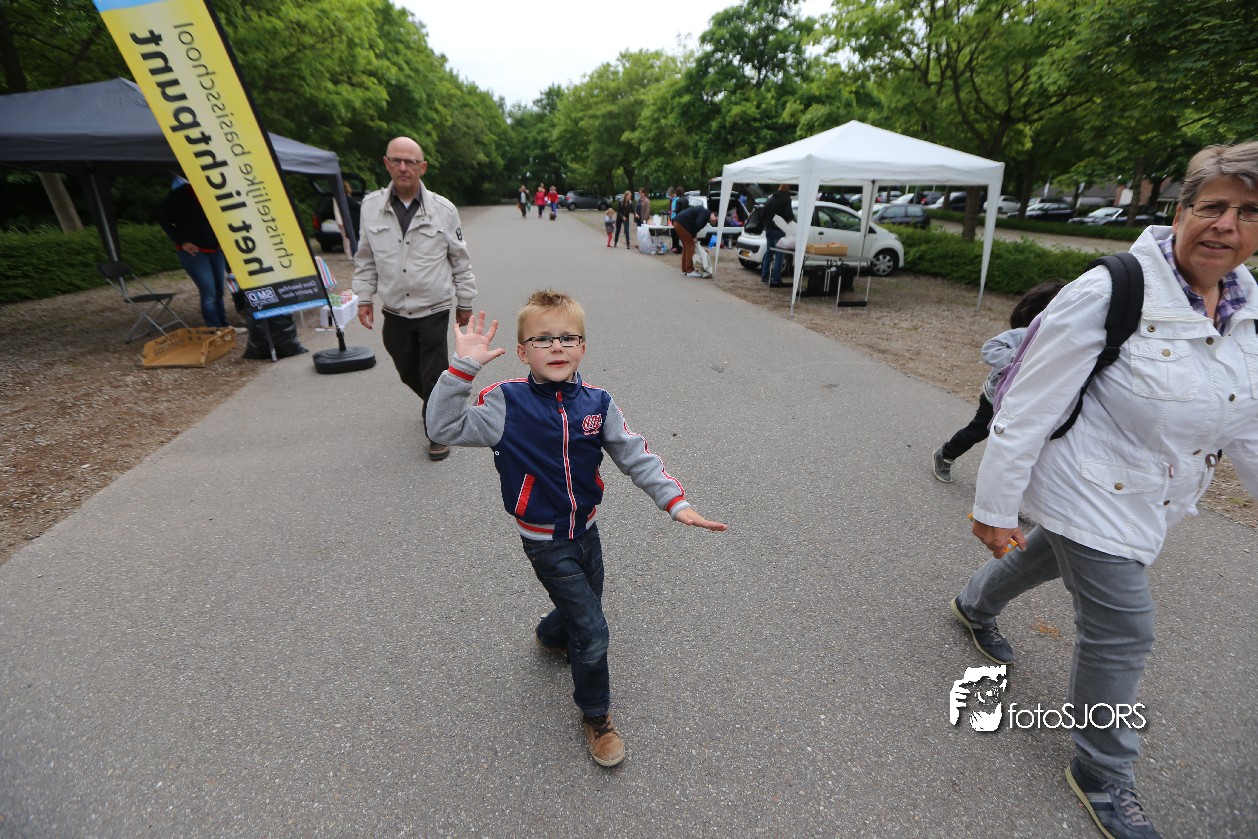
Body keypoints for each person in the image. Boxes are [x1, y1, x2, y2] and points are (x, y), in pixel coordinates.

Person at [952, 142, 1258, 839]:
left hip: (1149, 492)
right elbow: (1027, 404)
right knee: (1123, 629)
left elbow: (1246, 421)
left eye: (1248, 212)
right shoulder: (1111, 289)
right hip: (1086, 482)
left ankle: (972, 604)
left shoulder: (1246, 306)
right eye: (1213, 206)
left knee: (1046, 552)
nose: (1227, 225)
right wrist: (993, 506)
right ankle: (1101, 771)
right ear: (1180, 212)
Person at [425, 290, 727, 767]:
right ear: (522, 352)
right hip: (544, 541)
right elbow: (442, 428)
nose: (556, 347)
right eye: (542, 339)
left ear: (583, 347)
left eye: (568, 338)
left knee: (583, 608)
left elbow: (635, 455)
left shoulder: (598, 404)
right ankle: (596, 714)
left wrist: (675, 502)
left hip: (587, 530)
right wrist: (461, 370)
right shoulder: (505, 403)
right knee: (593, 629)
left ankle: (551, 635)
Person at [352, 136, 477, 462]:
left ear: (422, 167)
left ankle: (437, 431)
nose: (403, 167)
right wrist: (364, 298)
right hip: (394, 308)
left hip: (434, 307)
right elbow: (365, 257)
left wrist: (464, 301)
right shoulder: (370, 207)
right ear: (387, 164)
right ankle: (442, 404)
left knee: (433, 373)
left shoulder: (443, 210)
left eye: (410, 162)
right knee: (408, 370)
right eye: (397, 160)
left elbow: (460, 259)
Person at [931, 281, 1065, 482]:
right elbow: (989, 349)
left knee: (1018, 440)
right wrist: (1019, 359)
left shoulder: (1060, 341)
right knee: (978, 431)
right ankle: (945, 455)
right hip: (995, 397)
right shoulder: (1023, 334)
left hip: (1025, 400)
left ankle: (1009, 482)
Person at [157, 176, 230, 328]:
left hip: (216, 249)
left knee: (219, 291)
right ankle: (214, 328)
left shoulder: (213, 191)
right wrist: (182, 242)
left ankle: (223, 326)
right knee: (209, 293)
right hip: (195, 252)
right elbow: (164, 220)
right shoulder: (178, 195)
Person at [760, 184, 795, 287]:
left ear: (779, 188)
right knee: (779, 255)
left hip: (769, 229)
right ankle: (776, 279)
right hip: (779, 230)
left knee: (769, 253)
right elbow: (788, 214)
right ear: (787, 190)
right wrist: (791, 223)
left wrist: (766, 224)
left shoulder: (771, 198)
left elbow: (762, 213)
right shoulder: (786, 199)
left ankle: (764, 277)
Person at [672, 203, 717, 276]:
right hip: (682, 223)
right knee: (690, 246)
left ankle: (684, 270)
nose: (715, 222)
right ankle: (689, 270)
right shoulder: (706, 213)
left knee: (686, 246)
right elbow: (698, 223)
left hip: (677, 222)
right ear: (713, 215)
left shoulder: (705, 215)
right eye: (715, 220)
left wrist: (694, 236)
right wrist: (693, 236)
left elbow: (696, 226)